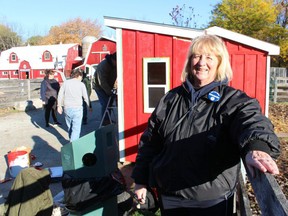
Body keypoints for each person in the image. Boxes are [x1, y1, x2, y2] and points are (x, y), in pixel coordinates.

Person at [131, 34, 280, 216]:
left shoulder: (233, 100)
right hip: (169, 196)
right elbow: (149, 143)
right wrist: (140, 181)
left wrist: (256, 147)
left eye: (209, 57)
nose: (202, 62)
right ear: (189, 61)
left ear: (219, 63)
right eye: (197, 56)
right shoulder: (170, 99)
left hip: (211, 201)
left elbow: (252, 121)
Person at [57, 69, 90, 142]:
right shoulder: (81, 84)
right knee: (76, 129)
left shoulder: (66, 83)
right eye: (81, 77)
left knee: (70, 127)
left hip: (67, 108)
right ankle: (73, 145)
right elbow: (85, 97)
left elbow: (60, 94)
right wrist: (89, 106)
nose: (81, 78)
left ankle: (71, 140)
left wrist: (59, 106)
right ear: (79, 75)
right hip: (77, 108)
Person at [93, 52, 117, 125]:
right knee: (105, 102)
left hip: (109, 85)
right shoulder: (103, 65)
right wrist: (109, 92)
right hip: (99, 87)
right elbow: (102, 82)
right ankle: (105, 120)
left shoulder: (115, 65)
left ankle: (108, 118)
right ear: (113, 60)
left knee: (110, 102)